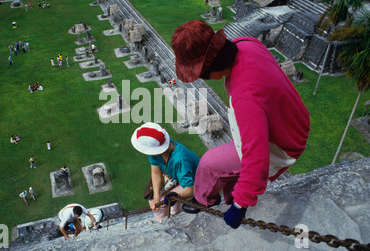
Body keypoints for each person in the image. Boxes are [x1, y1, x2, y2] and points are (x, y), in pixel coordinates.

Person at [171, 20, 310, 229]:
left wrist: (240, 206)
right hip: (293, 121)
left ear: (211, 68)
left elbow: (257, 157)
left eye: (201, 74)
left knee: (209, 163)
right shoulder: (246, 44)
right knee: (228, 164)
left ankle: (205, 200)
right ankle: (230, 195)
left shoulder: (245, 96)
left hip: (282, 143)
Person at [131, 122, 200, 223]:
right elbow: (156, 173)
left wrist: (174, 197)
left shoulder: (180, 160)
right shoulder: (156, 151)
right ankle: (163, 221)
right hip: (177, 178)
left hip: (193, 182)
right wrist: (156, 197)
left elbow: (190, 189)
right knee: (155, 202)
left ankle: (177, 219)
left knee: (172, 207)